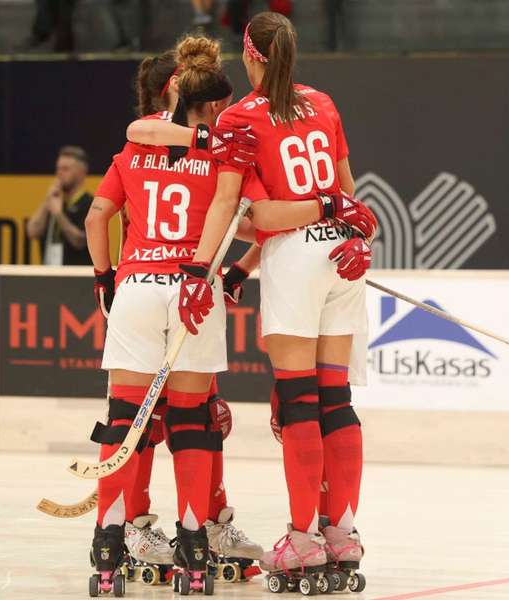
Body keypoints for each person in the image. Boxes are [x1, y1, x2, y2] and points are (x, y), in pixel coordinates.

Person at [122, 11, 378, 593]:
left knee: (301, 403)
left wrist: (197, 268)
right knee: (336, 399)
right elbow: (347, 191)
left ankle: (304, 537)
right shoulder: (324, 102)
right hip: (343, 258)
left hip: (295, 259)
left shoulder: (242, 116)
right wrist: (355, 232)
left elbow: (249, 214)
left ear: (250, 55)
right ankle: (344, 530)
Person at [83, 35, 267, 595]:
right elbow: (261, 221)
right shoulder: (225, 151)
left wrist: (104, 278)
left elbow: (97, 217)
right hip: (193, 288)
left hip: (137, 285)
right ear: (210, 104)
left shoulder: (135, 146)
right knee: (194, 421)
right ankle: (194, 538)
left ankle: (110, 539)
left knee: (124, 420)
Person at [26, 146, 93, 266]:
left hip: (77, 275)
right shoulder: (54, 201)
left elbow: (79, 241)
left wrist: (58, 214)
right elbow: (32, 231)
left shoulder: (89, 203)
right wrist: (46, 202)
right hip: (50, 273)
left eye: (65, 169)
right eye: (58, 169)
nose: (59, 173)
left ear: (81, 172)